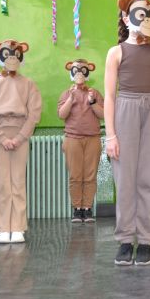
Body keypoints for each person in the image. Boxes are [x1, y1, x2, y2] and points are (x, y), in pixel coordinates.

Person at [104, 0, 150, 266]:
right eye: (139, 13)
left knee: (149, 177)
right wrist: (111, 135)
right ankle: (125, 239)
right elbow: (109, 96)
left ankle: (145, 240)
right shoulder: (116, 52)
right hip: (126, 109)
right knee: (125, 179)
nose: (146, 18)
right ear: (126, 18)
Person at [0, 39, 42, 244]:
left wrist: (20, 137)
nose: (12, 58)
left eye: (16, 54)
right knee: (3, 183)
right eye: (8, 54)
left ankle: (17, 227)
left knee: (18, 181)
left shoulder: (29, 84)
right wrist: (0, 137)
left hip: (20, 133)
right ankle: (2, 228)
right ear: (0, 56)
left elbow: (34, 113)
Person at [58, 59, 104, 224]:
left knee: (90, 175)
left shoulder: (95, 93)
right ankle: (77, 208)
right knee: (75, 175)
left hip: (93, 138)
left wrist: (92, 102)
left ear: (88, 72)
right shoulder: (66, 94)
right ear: (71, 72)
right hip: (72, 138)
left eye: (82, 70)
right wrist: (71, 99)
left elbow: (103, 114)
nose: (79, 73)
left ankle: (87, 208)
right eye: (76, 70)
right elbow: (62, 115)